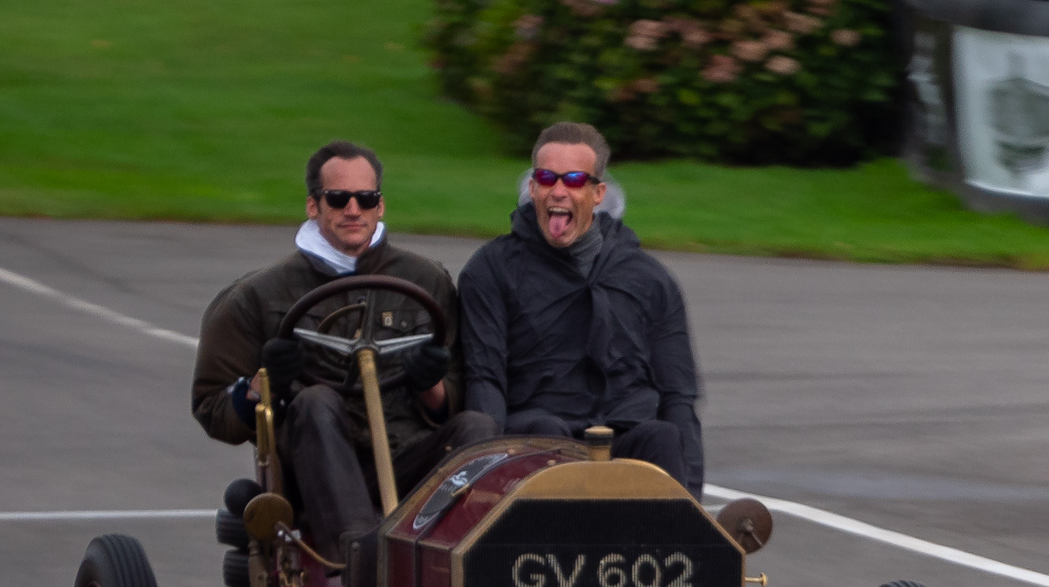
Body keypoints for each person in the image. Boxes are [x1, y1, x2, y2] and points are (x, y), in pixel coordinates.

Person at [192, 141, 497, 562]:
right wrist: (264, 387)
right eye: (339, 198)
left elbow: (463, 385)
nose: (353, 210)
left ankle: (463, 562)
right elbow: (212, 407)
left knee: (477, 427)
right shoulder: (259, 295)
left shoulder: (426, 281)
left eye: (365, 198)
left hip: (408, 457)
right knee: (317, 400)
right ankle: (363, 557)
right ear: (314, 206)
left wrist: (431, 386)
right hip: (315, 466)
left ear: (380, 206)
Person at [458, 122, 704, 496]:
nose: (558, 191)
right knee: (546, 435)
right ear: (532, 188)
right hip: (539, 434)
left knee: (663, 436)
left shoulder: (650, 279)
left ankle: (681, 539)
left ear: (598, 192)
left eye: (573, 180)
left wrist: (696, 505)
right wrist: (483, 483)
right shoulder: (491, 269)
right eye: (545, 178)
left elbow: (678, 396)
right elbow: (484, 380)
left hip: (623, 430)